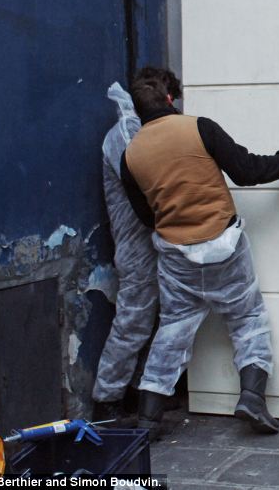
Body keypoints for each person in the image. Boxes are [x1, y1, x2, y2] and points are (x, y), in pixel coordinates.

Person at [120, 76, 279, 437]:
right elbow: (247, 171)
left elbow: (145, 216)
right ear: (170, 98)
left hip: (175, 255)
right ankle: (251, 396)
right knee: (248, 318)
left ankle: (149, 419)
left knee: (173, 329)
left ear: (137, 113)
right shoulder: (198, 128)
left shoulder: (131, 155)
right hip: (223, 244)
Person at [93, 68, 181, 424]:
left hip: (157, 236)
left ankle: (140, 390)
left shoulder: (141, 131)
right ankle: (107, 397)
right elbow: (147, 180)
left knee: (160, 319)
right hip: (136, 241)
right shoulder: (125, 134)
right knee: (133, 320)